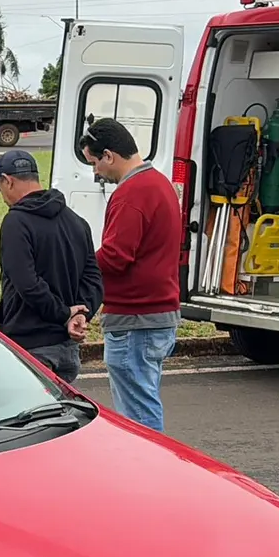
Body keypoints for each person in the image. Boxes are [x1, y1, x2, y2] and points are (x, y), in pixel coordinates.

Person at [82, 117, 182, 430]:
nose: (96, 171)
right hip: (158, 313)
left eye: (95, 162)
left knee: (138, 416)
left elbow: (115, 256)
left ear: (109, 155)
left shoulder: (130, 194)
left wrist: (80, 264)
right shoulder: (158, 183)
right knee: (144, 398)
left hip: (135, 318)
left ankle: (150, 475)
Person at [0, 149, 102, 383]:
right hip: (67, 348)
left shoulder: (16, 222)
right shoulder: (76, 221)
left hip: (31, 346)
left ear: (8, 181)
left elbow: (26, 283)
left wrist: (63, 314)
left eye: (0, 188)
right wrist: (80, 313)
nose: (3, 197)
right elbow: (93, 279)